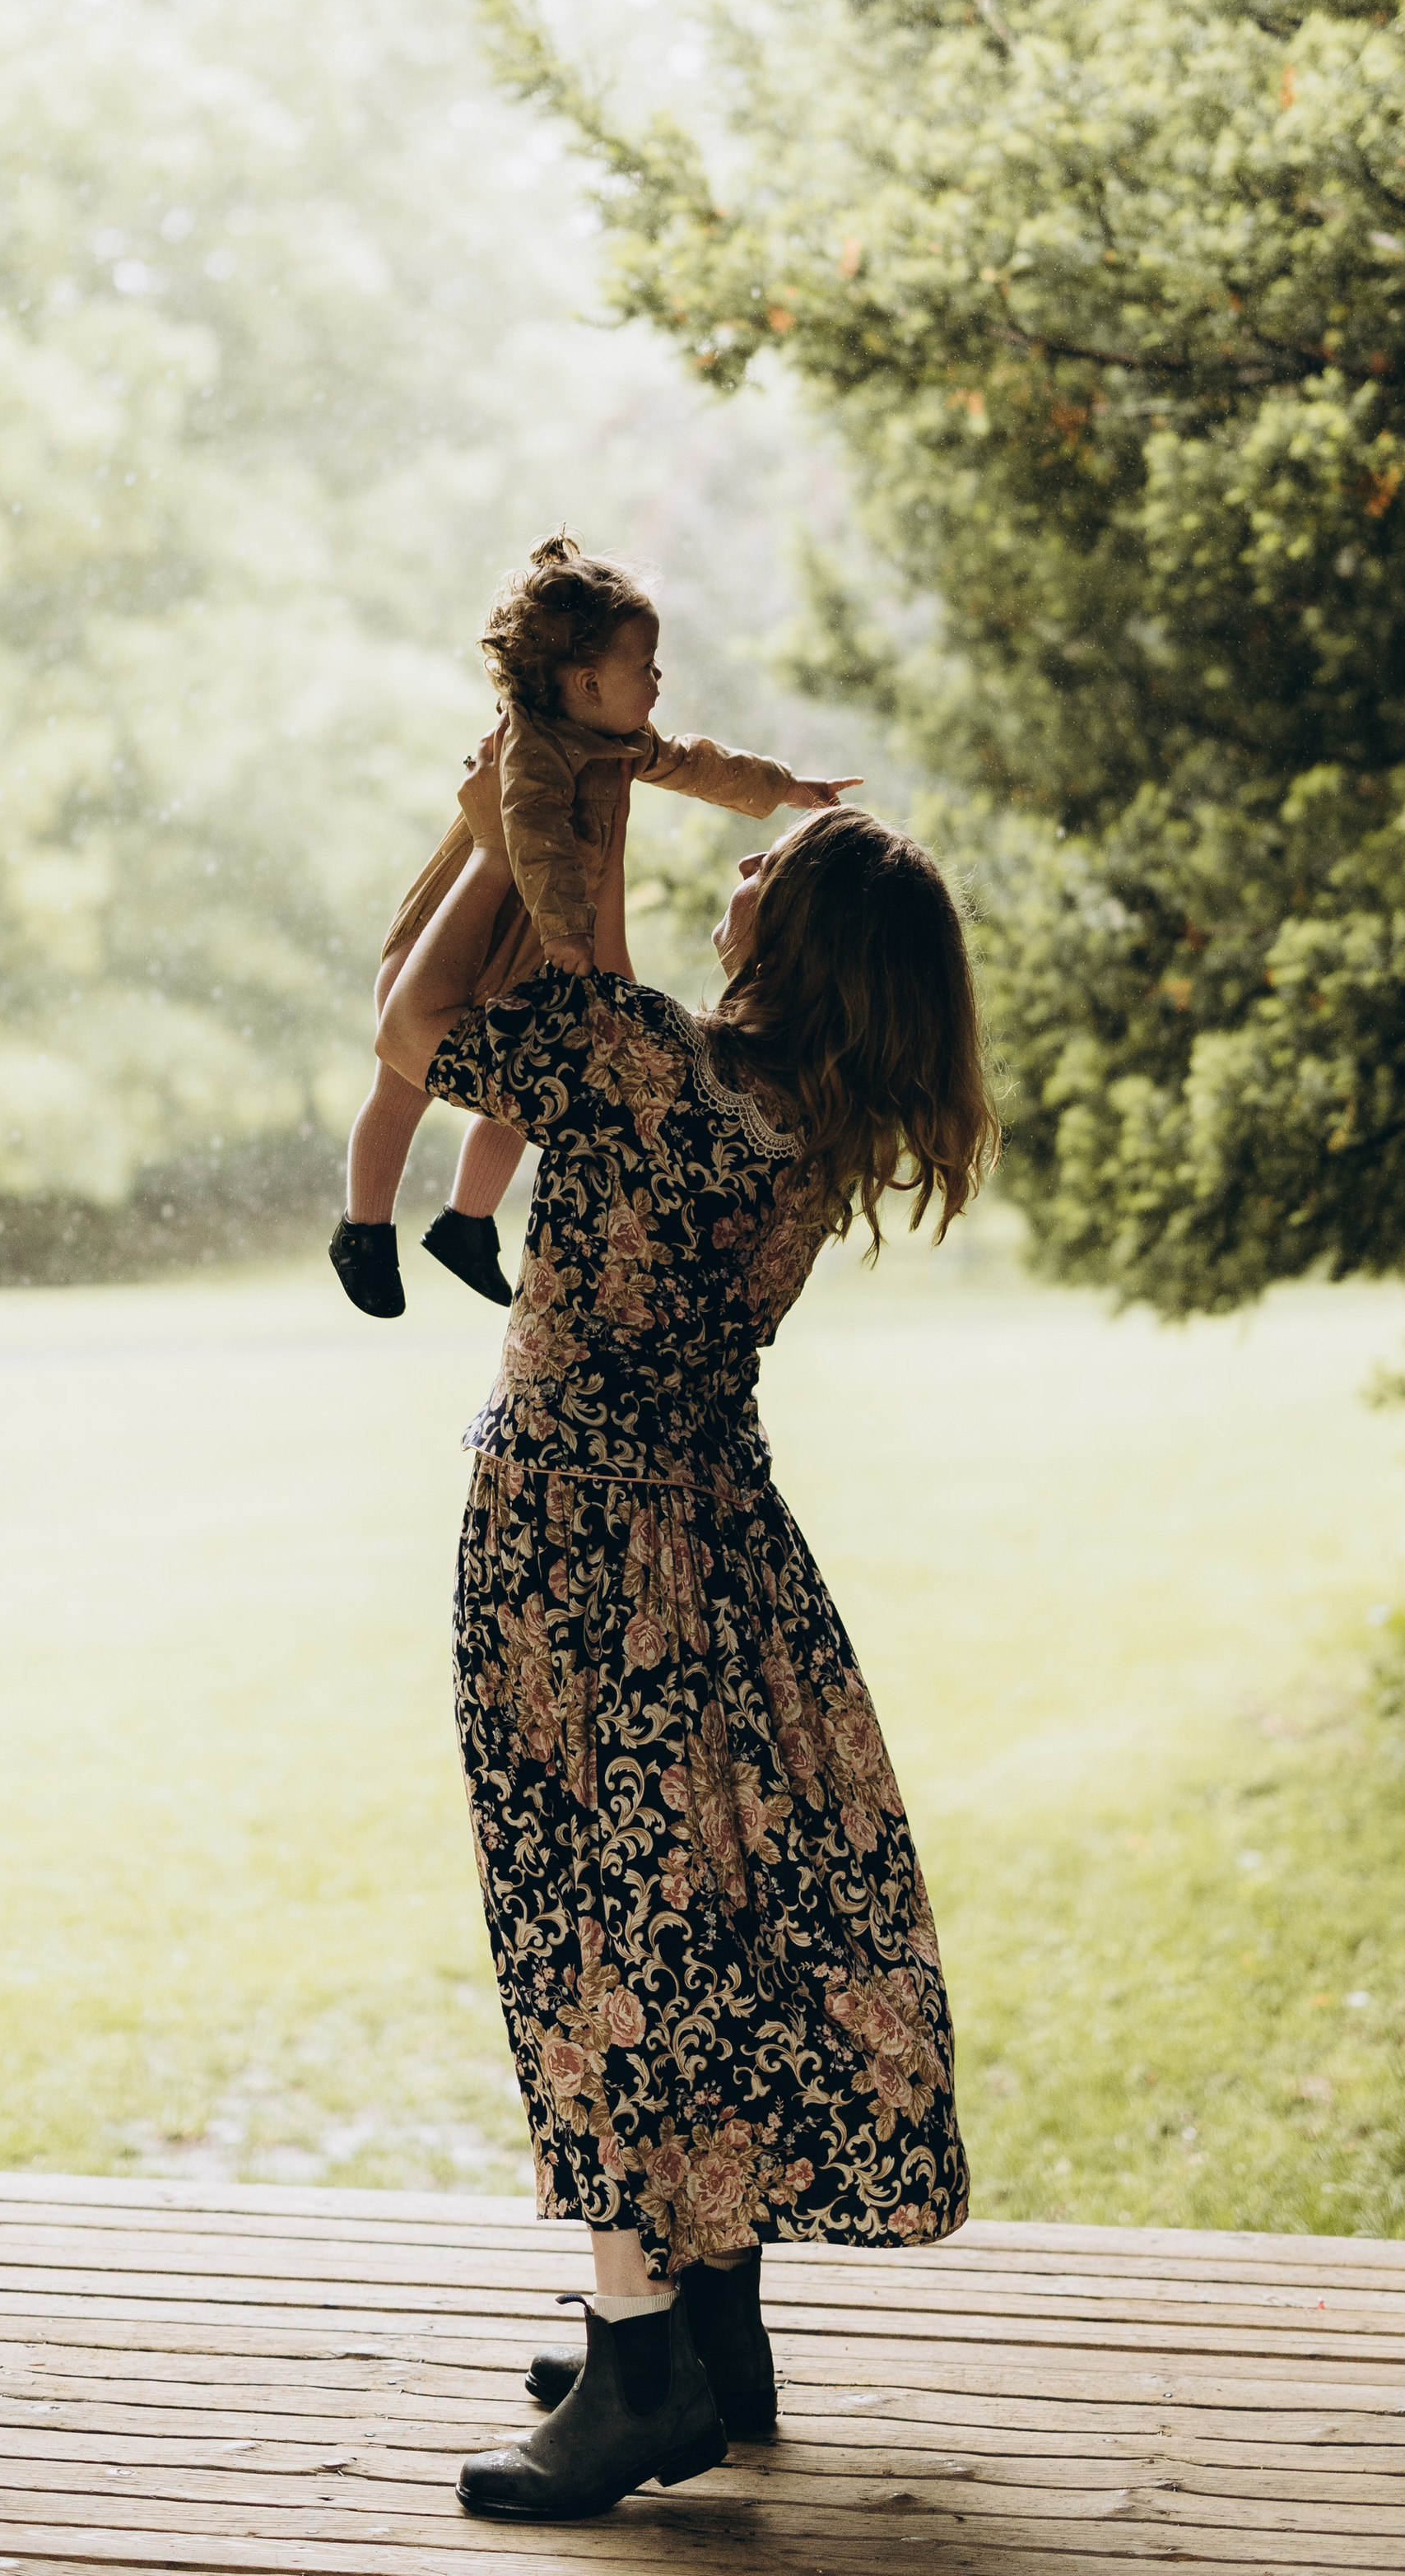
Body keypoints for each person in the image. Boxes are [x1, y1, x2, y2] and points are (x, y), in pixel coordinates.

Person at [375, 729, 999, 2521]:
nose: (735, 875)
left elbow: (405, 1028)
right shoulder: (817, 1113)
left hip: (570, 1548)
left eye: (762, 879)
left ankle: (639, 2367)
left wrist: (487, 831)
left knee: (593, 1924)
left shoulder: (647, 1066)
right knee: (706, 1906)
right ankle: (713, 2334)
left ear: (789, 941)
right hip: (719, 1541)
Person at [330, 531, 857, 1321]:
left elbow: (698, 763)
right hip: (481, 927)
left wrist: (786, 788)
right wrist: (568, 934)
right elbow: (532, 836)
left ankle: (466, 1223)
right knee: (400, 1085)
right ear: (584, 682)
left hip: (545, 947)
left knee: (519, 1099)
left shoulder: (619, 739)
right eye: (643, 667)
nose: (656, 680)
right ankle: (364, 1228)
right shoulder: (533, 750)